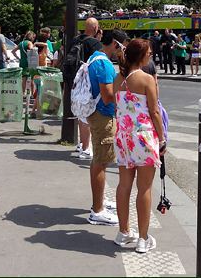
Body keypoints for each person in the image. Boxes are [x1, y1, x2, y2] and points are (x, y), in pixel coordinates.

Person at [113, 38, 165, 253]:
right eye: (149, 53)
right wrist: (162, 139)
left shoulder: (118, 79)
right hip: (143, 137)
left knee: (124, 186)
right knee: (144, 188)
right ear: (142, 56)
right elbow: (154, 111)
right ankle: (143, 238)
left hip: (123, 136)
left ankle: (123, 231)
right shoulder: (146, 79)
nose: (151, 56)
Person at [86, 29, 128, 226]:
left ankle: (99, 201)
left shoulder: (96, 58)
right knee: (101, 161)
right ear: (116, 44)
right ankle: (97, 210)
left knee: (100, 160)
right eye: (123, 45)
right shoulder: (103, 64)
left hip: (99, 114)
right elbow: (108, 95)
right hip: (103, 115)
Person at [68, 18, 103, 160]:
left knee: (80, 114)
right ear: (95, 28)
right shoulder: (94, 43)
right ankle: (86, 148)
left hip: (75, 81)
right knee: (86, 116)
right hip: (87, 82)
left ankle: (82, 144)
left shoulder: (75, 40)